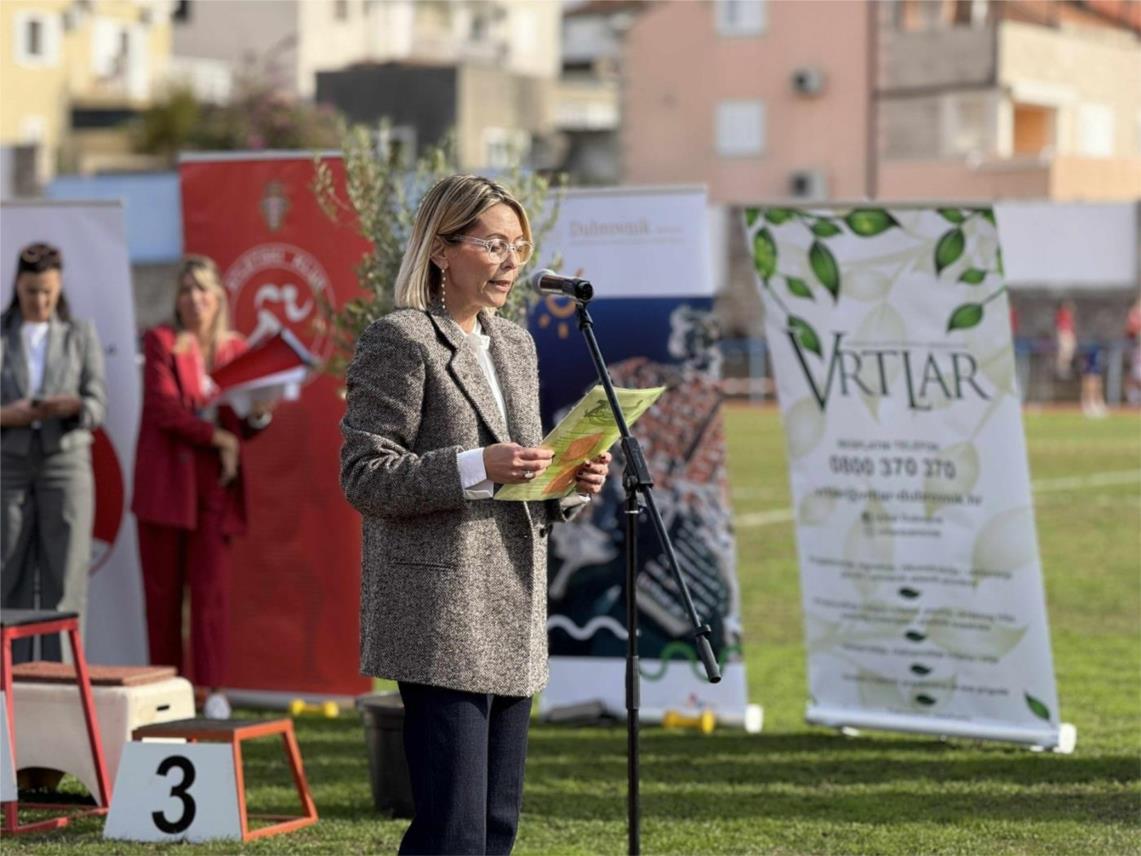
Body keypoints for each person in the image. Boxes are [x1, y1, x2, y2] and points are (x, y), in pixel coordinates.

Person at [340, 175, 611, 855]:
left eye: (518, 246)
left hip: (513, 607)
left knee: (495, 826)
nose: (511, 262)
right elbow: (365, 476)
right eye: (493, 245)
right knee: (452, 832)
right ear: (441, 249)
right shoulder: (401, 340)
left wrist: (571, 481)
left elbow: (525, 468)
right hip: (440, 616)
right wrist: (475, 465)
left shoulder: (515, 344)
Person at [131, 256, 273, 720]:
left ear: (218, 298)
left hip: (214, 489)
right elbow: (165, 410)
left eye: (202, 289)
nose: (194, 298)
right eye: (186, 290)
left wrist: (259, 414)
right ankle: (164, 690)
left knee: (211, 594)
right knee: (163, 599)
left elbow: (242, 423)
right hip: (165, 488)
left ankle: (213, 689)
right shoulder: (161, 341)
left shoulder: (236, 350)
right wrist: (220, 439)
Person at [0, 242, 106, 662]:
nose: (40, 301)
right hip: (8, 462)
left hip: (65, 460)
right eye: (31, 291)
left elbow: (98, 403)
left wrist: (73, 406)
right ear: (17, 286)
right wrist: (9, 415)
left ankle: (60, 680)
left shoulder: (80, 333)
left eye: (47, 291)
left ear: (59, 285)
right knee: (7, 572)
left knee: (65, 580)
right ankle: (8, 680)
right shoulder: (3, 333)